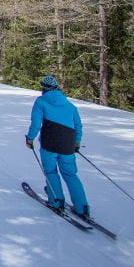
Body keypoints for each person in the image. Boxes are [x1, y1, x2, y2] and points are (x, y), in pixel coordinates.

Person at [25, 75, 90, 220]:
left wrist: (30, 139)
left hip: (49, 144)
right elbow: (78, 126)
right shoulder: (70, 105)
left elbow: (36, 124)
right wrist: (76, 143)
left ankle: (56, 201)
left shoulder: (41, 102)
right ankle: (82, 207)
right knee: (70, 174)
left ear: (44, 88)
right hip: (67, 145)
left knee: (51, 172)